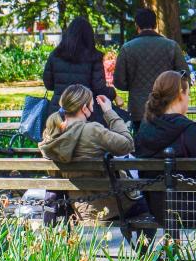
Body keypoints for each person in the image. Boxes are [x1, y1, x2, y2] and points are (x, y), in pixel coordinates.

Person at [39, 84, 135, 221]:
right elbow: (128, 144)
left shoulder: (51, 133)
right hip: (111, 206)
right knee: (143, 204)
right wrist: (109, 111)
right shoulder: (92, 131)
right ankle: (140, 243)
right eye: (91, 106)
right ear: (84, 108)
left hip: (77, 207)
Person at [114, 9, 188, 131]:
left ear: (136, 25)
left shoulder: (127, 48)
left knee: (141, 144)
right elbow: (184, 75)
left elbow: (119, 82)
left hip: (138, 109)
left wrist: (135, 85)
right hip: (167, 106)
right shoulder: (172, 46)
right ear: (155, 24)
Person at [43, 16, 116, 126]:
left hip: (59, 111)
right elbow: (99, 87)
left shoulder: (55, 55)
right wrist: (113, 93)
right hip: (85, 112)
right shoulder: (94, 56)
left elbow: (49, 85)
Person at [135, 71, 196, 158]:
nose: (188, 99)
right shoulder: (186, 128)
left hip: (149, 174)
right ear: (180, 94)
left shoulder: (146, 125)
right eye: (188, 94)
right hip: (186, 174)